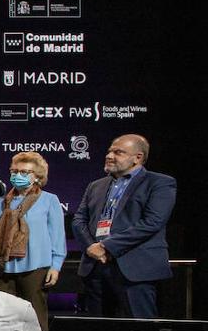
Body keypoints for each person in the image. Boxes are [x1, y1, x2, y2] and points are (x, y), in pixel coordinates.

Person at [71, 134, 177, 319]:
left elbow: (152, 222)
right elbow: (79, 219)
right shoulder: (96, 185)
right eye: (109, 151)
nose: (110, 156)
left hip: (134, 269)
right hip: (96, 267)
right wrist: (91, 247)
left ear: (138, 157)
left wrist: (106, 246)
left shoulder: (159, 183)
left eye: (118, 152)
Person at [0, 152, 67, 331]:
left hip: (35, 268)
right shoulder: (0, 203)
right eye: (15, 171)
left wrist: (56, 266)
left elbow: (57, 236)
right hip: (2, 268)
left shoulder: (49, 200)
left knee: (35, 318)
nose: (18, 175)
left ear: (37, 177)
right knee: (2, 318)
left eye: (25, 172)